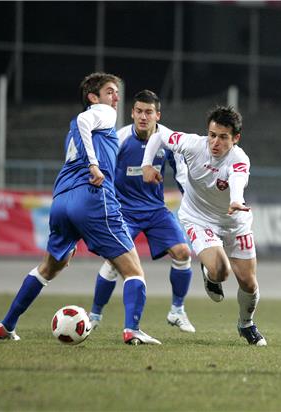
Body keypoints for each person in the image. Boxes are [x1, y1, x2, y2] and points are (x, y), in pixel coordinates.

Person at [0, 72, 161, 345]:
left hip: (61, 200)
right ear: (93, 98)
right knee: (133, 270)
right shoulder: (100, 113)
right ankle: (132, 330)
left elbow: (80, 135)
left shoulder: (74, 132)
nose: (115, 97)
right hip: (91, 196)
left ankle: (6, 325)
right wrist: (94, 165)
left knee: (48, 267)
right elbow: (84, 120)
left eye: (116, 93)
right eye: (109, 92)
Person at [141, 105, 267, 346]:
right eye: (212, 135)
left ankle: (246, 324)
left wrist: (235, 201)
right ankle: (211, 273)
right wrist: (147, 164)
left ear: (236, 138)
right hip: (198, 218)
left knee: (249, 283)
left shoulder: (239, 159)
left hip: (235, 221)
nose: (215, 142)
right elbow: (158, 134)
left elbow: (238, 180)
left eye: (223, 137)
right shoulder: (192, 144)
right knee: (221, 271)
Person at [88, 90, 195, 333]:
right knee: (114, 262)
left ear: (157, 115)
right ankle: (94, 314)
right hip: (124, 211)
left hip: (156, 210)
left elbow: (182, 178)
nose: (143, 117)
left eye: (149, 112)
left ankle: (177, 311)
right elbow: (102, 174)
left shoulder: (169, 141)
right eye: (139, 111)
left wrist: (193, 206)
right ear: (132, 112)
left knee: (182, 252)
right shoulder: (119, 138)